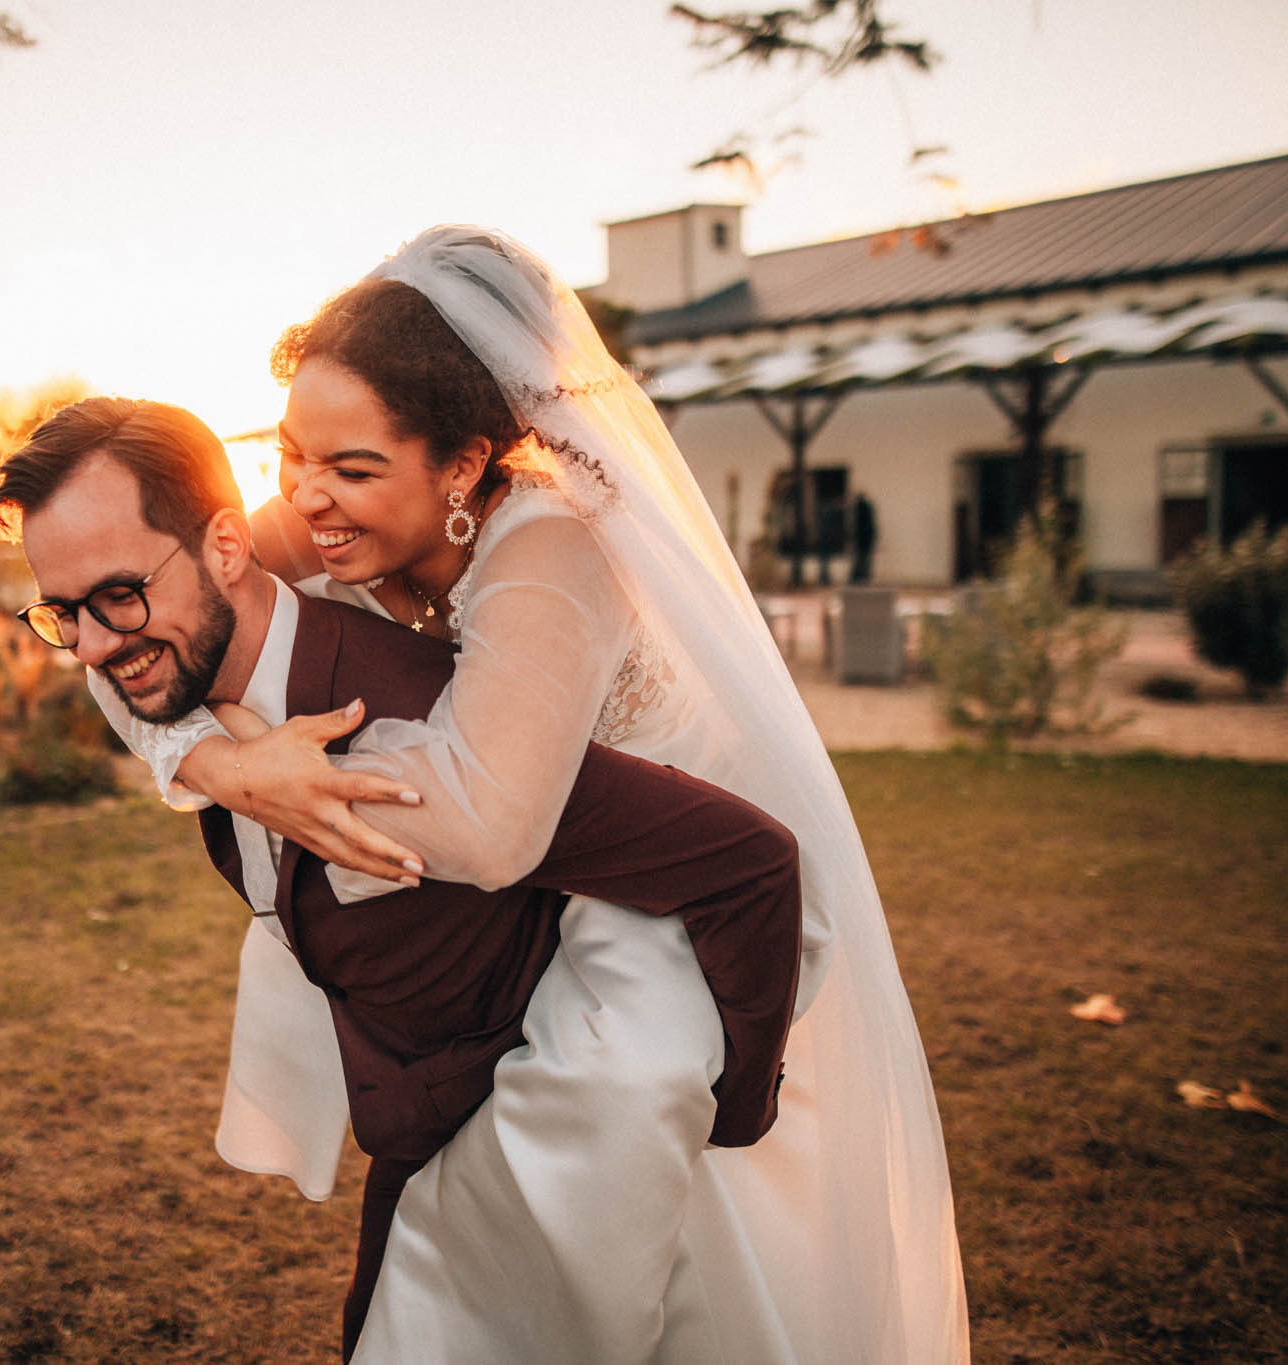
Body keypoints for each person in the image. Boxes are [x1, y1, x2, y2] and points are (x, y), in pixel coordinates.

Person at [111, 227, 968, 1363]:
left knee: (600, 1129)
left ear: (462, 464)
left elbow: (490, 824)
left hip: (668, 901)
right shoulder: (312, 525)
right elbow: (123, 632)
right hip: (530, 901)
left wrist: (295, 780)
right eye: (289, 454)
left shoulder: (551, 547)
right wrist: (220, 764)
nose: (308, 497)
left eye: (352, 469)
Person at [0, 397, 807, 1359]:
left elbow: (748, 863)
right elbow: (116, 663)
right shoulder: (177, 685)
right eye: (61, 613)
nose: (89, 647)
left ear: (226, 546)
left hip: (538, 1157)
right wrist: (227, 765)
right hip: (412, 1141)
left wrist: (735, 1110)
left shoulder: (437, 726)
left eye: (118, 597)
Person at [851, 489, 879, 584]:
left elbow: (858, 525)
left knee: (861, 558)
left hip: (862, 538)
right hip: (867, 538)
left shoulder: (860, 508)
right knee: (865, 559)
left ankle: (859, 577)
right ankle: (864, 577)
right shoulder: (868, 507)